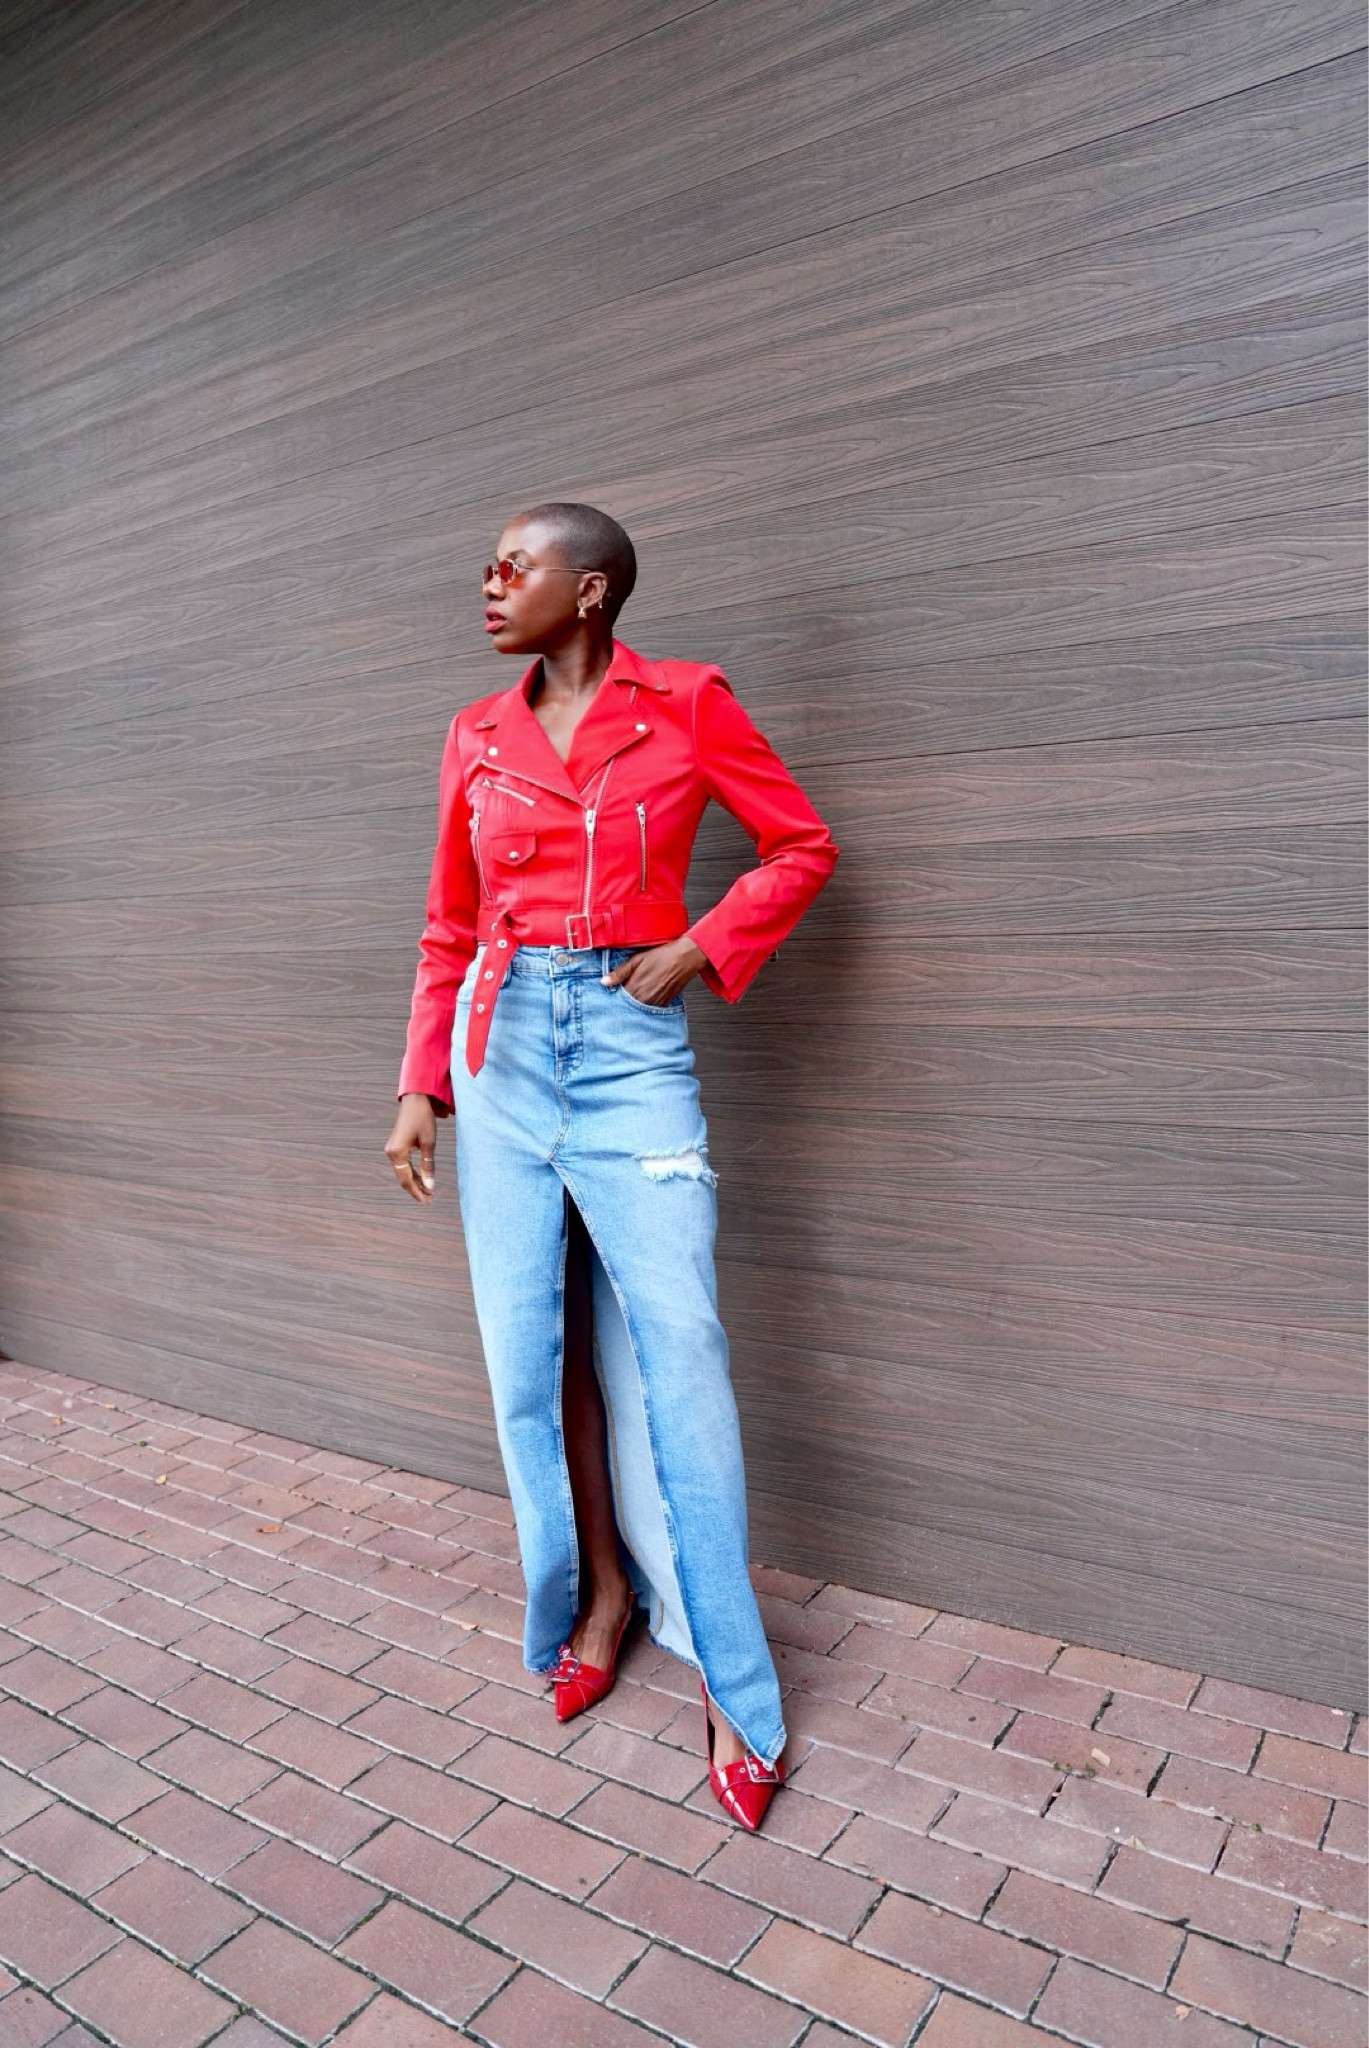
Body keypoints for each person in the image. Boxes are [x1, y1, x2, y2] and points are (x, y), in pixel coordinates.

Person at [384, 503, 837, 1829]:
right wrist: (420, 1085)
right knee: (533, 1353)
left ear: (590, 591)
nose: (488, 582)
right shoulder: (474, 731)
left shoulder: (689, 702)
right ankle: (595, 1596)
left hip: (633, 1052)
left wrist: (700, 948)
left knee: (679, 1350)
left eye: (513, 566)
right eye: (487, 564)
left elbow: (798, 845)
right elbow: (444, 925)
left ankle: (732, 1682)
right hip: (498, 1050)